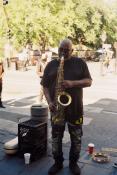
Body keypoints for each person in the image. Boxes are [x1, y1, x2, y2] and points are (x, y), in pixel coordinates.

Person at [41, 38, 92, 175]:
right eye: (60, 49)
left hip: (75, 109)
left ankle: (73, 163)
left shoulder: (79, 63)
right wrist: (50, 102)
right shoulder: (51, 64)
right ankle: (57, 163)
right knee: (56, 139)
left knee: (76, 139)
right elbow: (45, 86)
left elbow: (89, 82)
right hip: (57, 109)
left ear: (72, 50)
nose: (63, 52)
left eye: (66, 50)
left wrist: (72, 83)